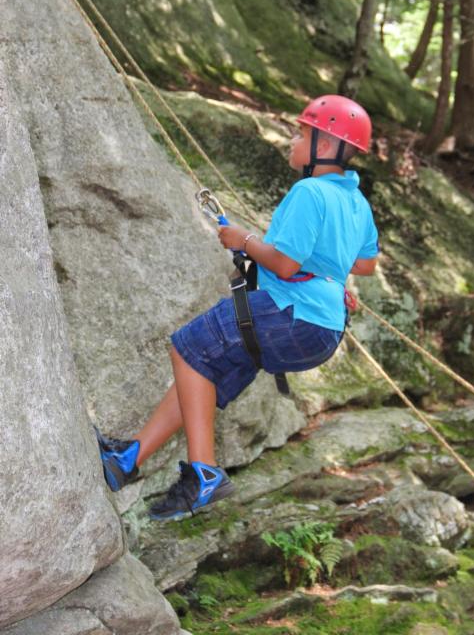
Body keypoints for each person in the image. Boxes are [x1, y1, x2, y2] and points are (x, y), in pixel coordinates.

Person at [96, 95, 379, 521]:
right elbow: (365, 263)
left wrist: (243, 240)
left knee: (187, 349)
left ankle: (204, 474)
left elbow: (283, 265)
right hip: (321, 330)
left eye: (301, 134)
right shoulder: (356, 202)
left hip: (288, 311)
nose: (292, 140)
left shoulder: (310, 191)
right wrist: (329, 275)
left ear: (326, 145)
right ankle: (128, 459)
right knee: (200, 373)